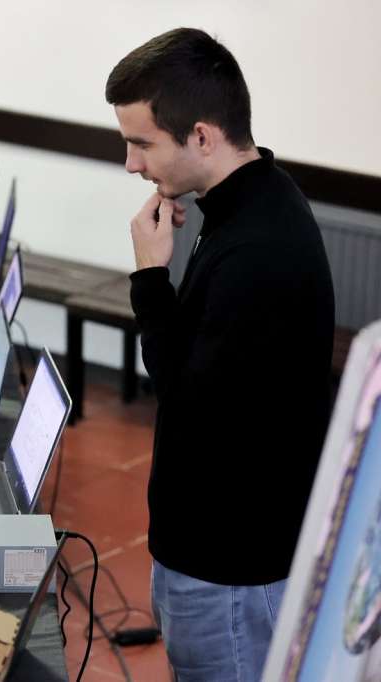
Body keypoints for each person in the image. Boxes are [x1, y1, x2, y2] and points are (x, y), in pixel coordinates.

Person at [105, 28, 335, 681]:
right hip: (220, 546)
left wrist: (151, 279)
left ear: (201, 136)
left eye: (141, 142)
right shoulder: (254, 201)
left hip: (229, 564)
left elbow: (185, 396)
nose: (130, 163)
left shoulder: (256, 248)